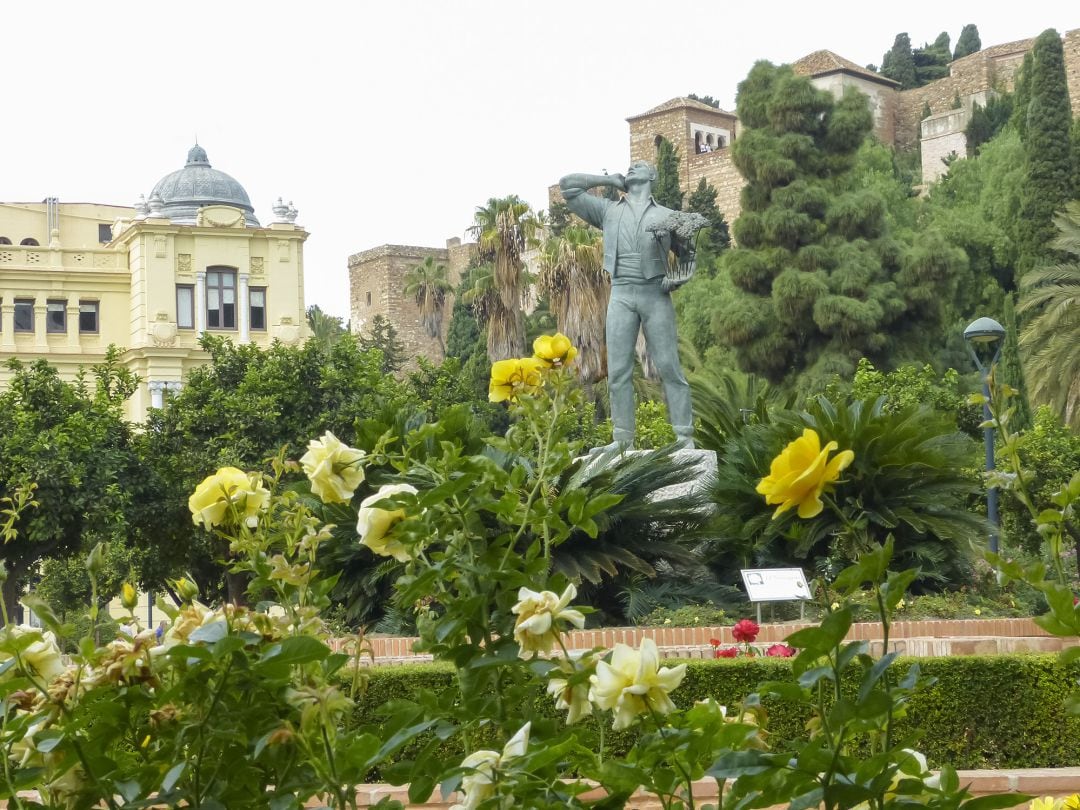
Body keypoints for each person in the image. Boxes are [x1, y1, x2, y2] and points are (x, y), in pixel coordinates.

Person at [559, 161, 694, 450]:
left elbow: (688, 256)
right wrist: (609, 181)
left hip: (655, 294)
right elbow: (568, 186)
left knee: (670, 366)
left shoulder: (667, 215)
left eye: (640, 166)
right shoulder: (609, 211)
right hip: (621, 293)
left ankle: (684, 436)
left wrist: (679, 278)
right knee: (618, 371)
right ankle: (622, 440)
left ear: (653, 176)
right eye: (630, 167)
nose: (633, 167)